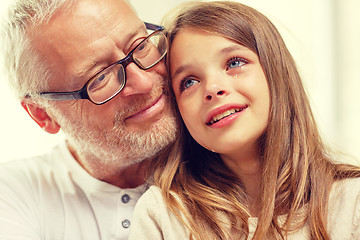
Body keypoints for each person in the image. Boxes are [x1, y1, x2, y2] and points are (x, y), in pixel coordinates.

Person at [129, 1, 360, 239]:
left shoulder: (353, 203)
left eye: (234, 63)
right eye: (189, 82)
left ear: (275, 72)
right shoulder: (163, 216)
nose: (213, 88)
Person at [0, 0, 177, 239]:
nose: (145, 83)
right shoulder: (14, 193)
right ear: (43, 114)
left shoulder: (228, 154)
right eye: (100, 78)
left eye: (141, 45)